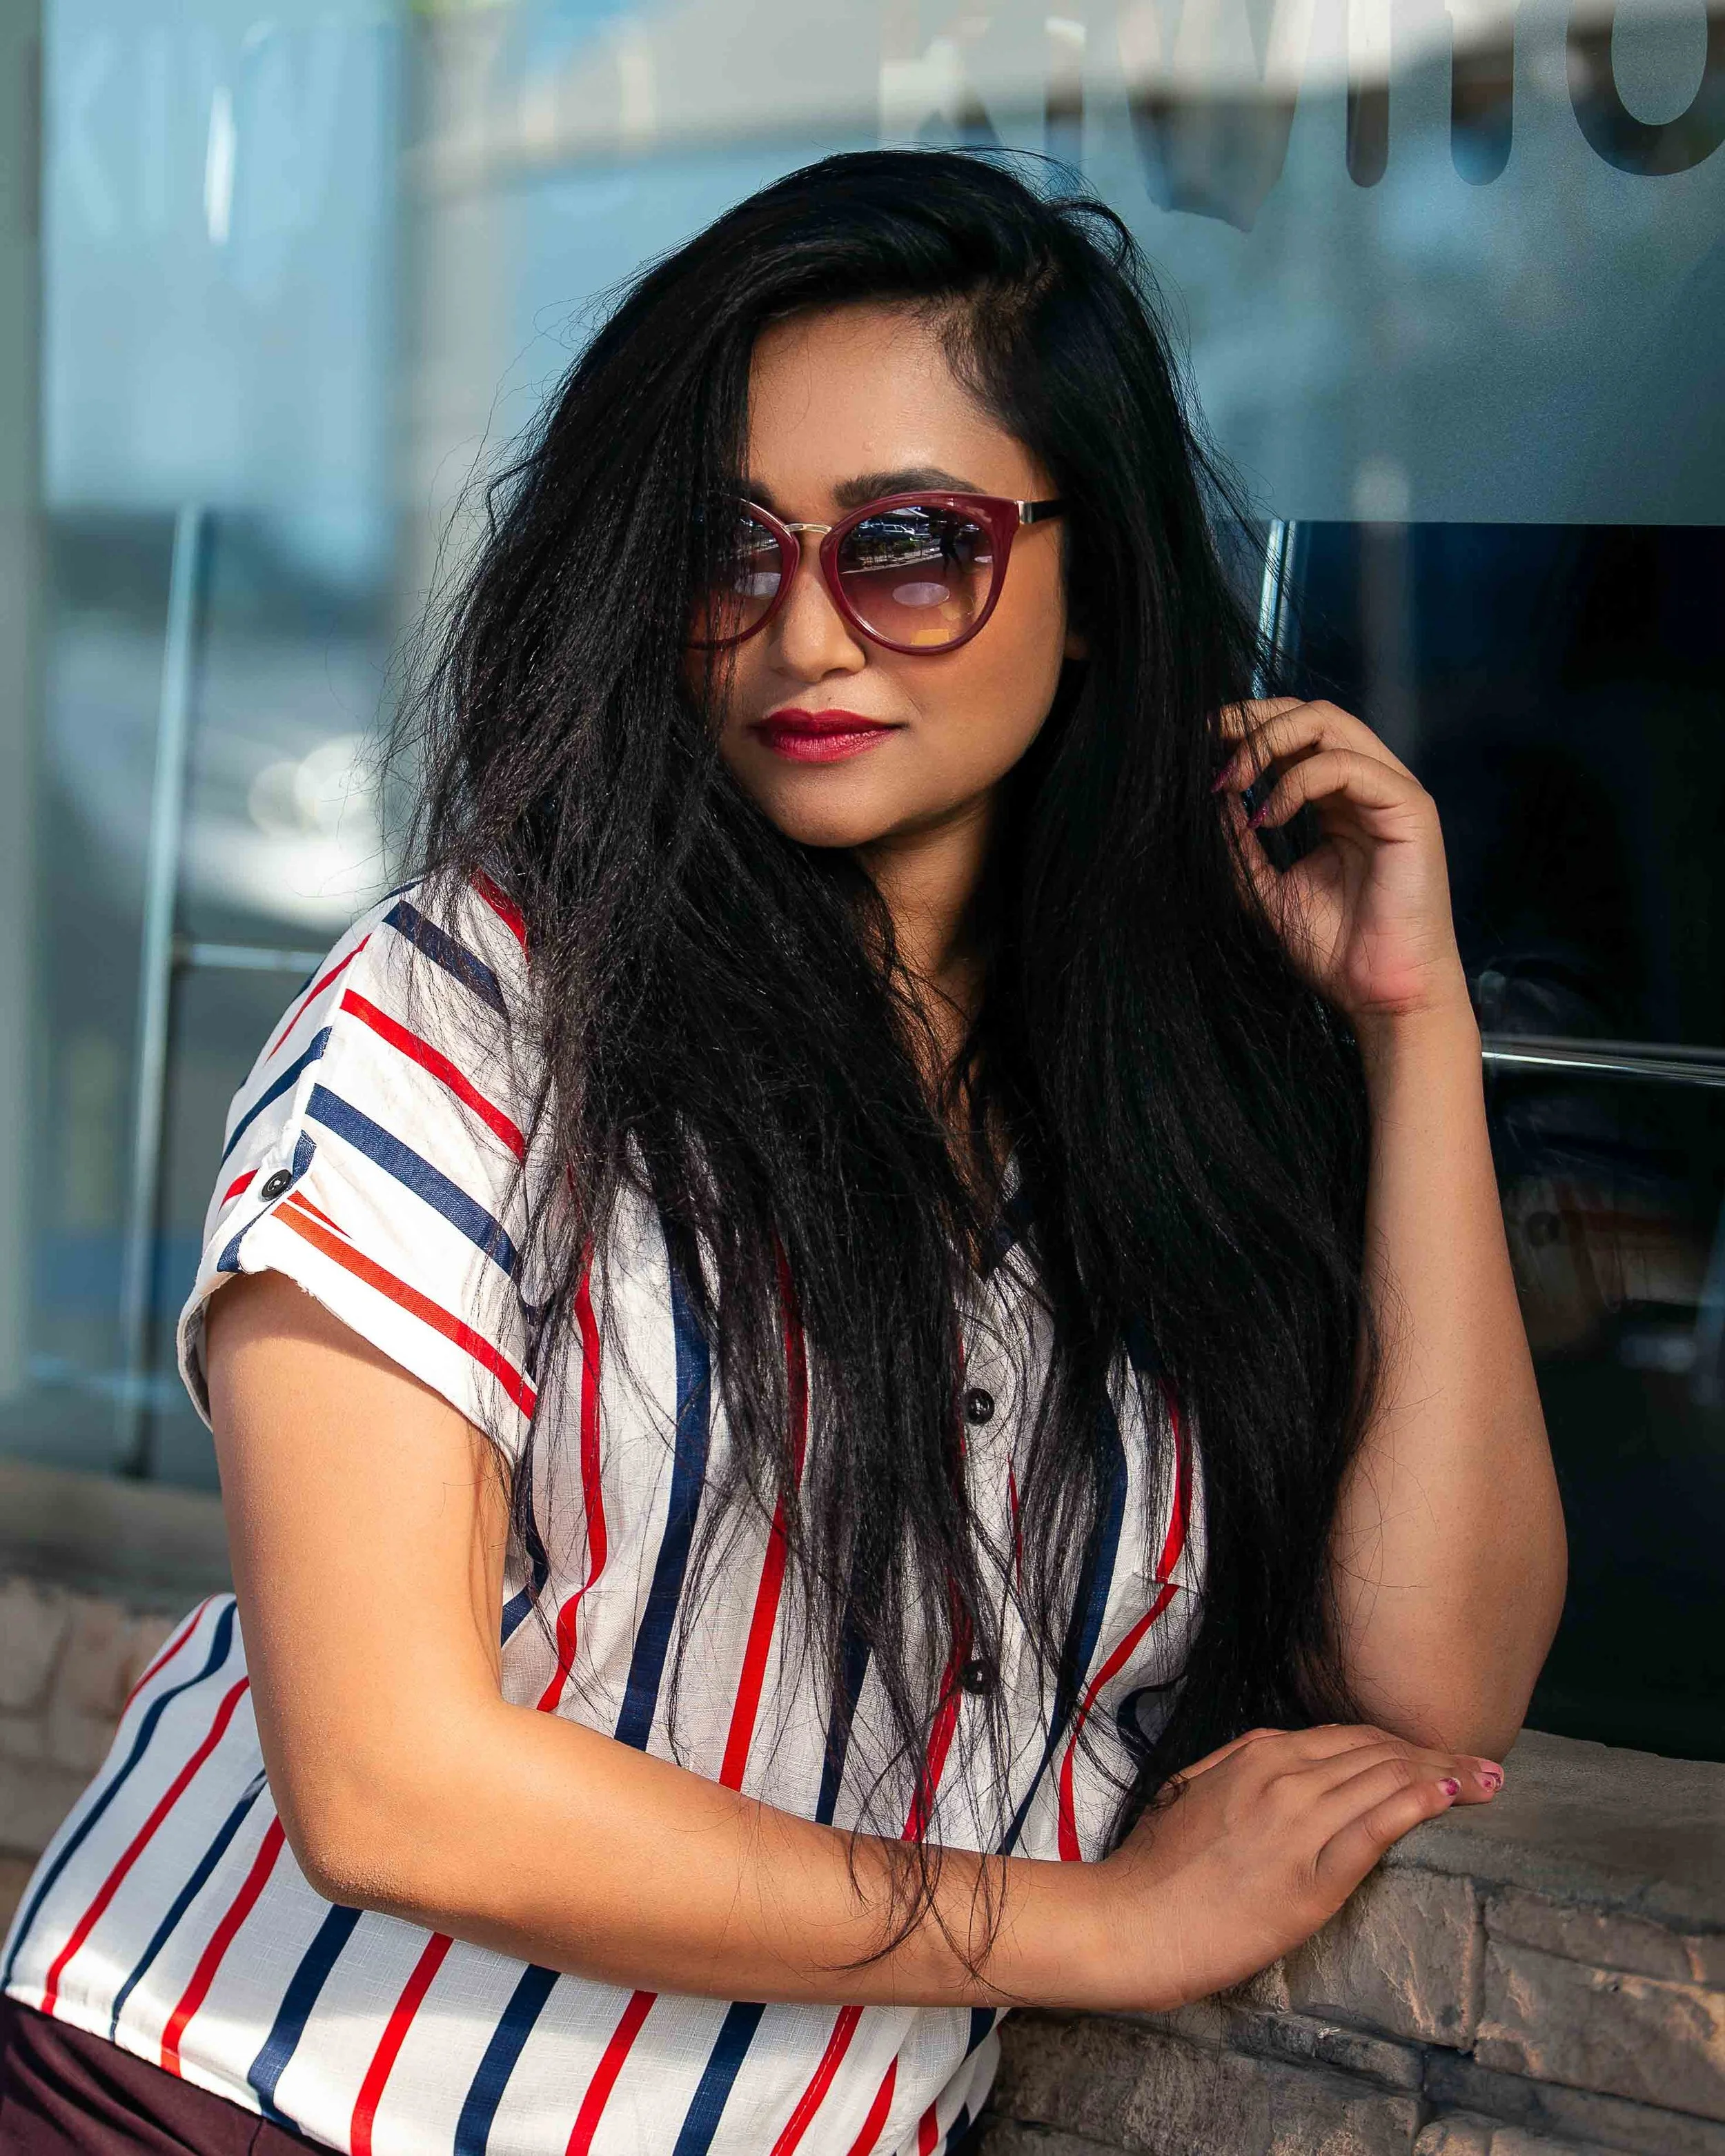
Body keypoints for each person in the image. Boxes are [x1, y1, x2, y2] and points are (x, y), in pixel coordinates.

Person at [0, 148, 1565, 2155]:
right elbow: (390, 1784)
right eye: (725, 551)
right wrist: (1098, 1926)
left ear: (1093, 585)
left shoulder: (1169, 1114)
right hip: (236, 2106)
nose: (804, 632)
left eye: (912, 545)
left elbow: (1433, 1690)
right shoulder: (464, 1015)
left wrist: (1407, 1035)